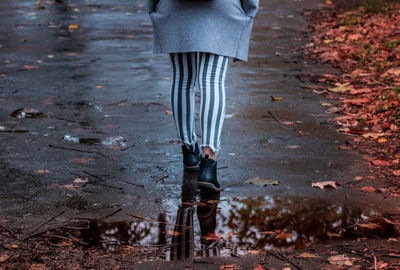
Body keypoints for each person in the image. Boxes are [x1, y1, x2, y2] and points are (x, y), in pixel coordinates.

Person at [146, 0, 259, 191]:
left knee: (182, 78)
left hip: (175, 9)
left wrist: (154, 7)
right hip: (222, 9)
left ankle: (189, 150)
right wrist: (249, 9)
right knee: (212, 80)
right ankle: (208, 162)